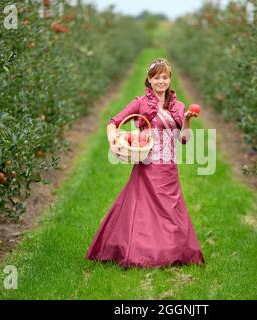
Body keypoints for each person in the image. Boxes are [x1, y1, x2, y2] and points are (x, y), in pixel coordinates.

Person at [85, 58, 205, 269]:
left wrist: (186, 120)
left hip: (169, 166)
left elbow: (184, 139)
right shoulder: (140, 102)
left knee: (170, 209)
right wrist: (114, 140)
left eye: (165, 77)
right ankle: (143, 252)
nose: (161, 81)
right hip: (147, 163)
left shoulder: (178, 106)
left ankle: (173, 251)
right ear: (149, 80)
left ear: (170, 80)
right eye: (157, 77)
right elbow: (113, 122)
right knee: (143, 210)